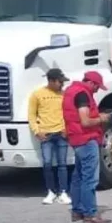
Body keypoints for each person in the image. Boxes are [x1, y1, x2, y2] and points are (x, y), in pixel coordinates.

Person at [62, 71, 112, 223]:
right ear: (91, 82)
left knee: (78, 176)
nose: (97, 90)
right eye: (97, 86)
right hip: (86, 139)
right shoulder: (83, 95)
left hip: (76, 139)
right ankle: (90, 214)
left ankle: (77, 211)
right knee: (90, 179)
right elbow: (85, 121)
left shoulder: (71, 91)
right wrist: (101, 118)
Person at [29, 68, 71, 206]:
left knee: (62, 164)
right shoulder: (37, 94)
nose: (62, 84)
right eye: (60, 82)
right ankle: (51, 191)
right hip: (46, 134)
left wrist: (67, 128)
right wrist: (36, 131)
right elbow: (32, 115)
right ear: (51, 81)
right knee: (47, 164)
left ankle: (63, 192)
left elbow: (69, 113)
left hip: (61, 133)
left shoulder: (64, 95)